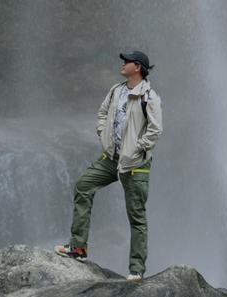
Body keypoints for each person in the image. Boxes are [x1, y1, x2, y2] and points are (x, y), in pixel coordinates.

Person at [55, 51, 163, 281]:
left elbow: (155, 130)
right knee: (83, 186)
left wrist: (137, 147)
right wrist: (103, 134)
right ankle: (78, 248)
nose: (123, 64)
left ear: (138, 67)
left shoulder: (149, 97)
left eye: (127, 61)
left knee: (136, 217)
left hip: (135, 164)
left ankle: (136, 270)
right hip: (112, 158)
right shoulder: (116, 90)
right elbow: (103, 113)